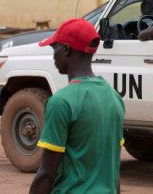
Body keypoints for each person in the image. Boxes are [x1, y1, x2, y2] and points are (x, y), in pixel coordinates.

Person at [31, 18, 125, 193]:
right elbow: (113, 169)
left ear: (66, 49)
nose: (53, 54)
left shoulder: (61, 102)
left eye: (55, 47)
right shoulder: (114, 98)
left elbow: (46, 174)